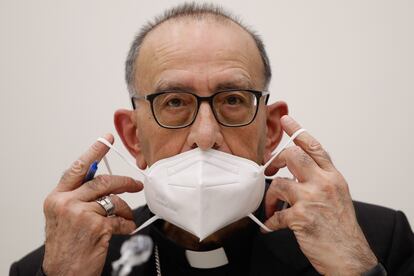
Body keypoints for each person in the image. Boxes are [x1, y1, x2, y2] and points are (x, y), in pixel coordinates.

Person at [10, 3, 414, 276]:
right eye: (174, 102)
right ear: (133, 136)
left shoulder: (376, 238)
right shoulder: (60, 264)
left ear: (271, 129)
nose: (205, 136)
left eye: (233, 99)